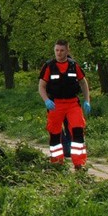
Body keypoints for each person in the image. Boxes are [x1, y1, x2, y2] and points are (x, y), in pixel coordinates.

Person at [38, 40, 89, 169]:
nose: (59, 53)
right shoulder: (49, 66)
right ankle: (56, 162)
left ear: (67, 51)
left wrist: (87, 100)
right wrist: (46, 100)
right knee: (55, 133)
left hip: (72, 103)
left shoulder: (74, 65)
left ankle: (79, 163)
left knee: (77, 130)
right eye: (57, 50)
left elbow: (83, 82)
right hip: (55, 104)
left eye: (61, 50)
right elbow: (41, 86)